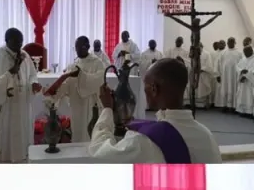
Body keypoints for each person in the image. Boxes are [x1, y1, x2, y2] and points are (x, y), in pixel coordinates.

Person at [88, 58, 222, 163]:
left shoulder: (144, 142)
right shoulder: (207, 136)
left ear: (154, 89)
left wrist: (107, 108)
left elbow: (100, 152)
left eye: (145, 85)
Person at [0, 28, 41, 163]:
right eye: (16, 42)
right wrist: (2, 90)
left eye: (21, 42)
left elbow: (32, 74)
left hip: (22, 102)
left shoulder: (25, 56)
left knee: (23, 128)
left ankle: (23, 153)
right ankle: (5, 156)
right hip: (5, 104)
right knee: (6, 129)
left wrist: (33, 83)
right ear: (7, 40)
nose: (20, 45)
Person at [43, 36, 105, 142]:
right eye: (76, 47)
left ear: (88, 47)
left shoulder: (97, 63)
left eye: (80, 47)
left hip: (90, 103)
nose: (77, 50)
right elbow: (67, 85)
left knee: (89, 133)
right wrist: (54, 92)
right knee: (77, 132)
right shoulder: (74, 65)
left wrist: (81, 75)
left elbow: (99, 80)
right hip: (76, 104)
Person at [216, 37, 242, 111]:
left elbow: (242, 64)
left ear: (235, 43)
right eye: (229, 42)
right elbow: (218, 64)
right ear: (227, 43)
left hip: (234, 75)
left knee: (234, 89)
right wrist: (218, 75)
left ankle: (234, 106)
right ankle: (224, 105)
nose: (230, 43)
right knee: (225, 89)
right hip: (225, 76)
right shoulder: (223, 52)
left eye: (232, 42)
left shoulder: (239, 53)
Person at [139, 40, 164, 114]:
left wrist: (157, 62)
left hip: (157, 76)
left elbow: (163, 63)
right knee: (148, 90)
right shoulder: (144, 54)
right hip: (149, 76)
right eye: (151, 44)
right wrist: (150, 61)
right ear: (149, 45)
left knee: (158, 90)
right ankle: (147, 106)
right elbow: (141, 64)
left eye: (154, 43)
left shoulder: (159, 53)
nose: (153, 45)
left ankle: (157, 106)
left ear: (156, 44)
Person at [164, 37, 190, 104]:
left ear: (182, 43)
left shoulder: (185, 51)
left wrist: (182, 60)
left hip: (181, 72)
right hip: (172, 72)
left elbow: (188, 62)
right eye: (177, 41)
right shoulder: (170, 50)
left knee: (181, 87)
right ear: (175, 41)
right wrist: (174, 60)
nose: (178, 43)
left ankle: (181, 102)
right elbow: (165, 60)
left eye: (180, 41)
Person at [193, 43, 215, 108]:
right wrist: (195, 69)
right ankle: (196, 104)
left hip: (204, 74)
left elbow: (209, 65)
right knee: (196, 89)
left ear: (202, 46)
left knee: (205, 89)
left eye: (199, 46)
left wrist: (201, 69)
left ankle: (206, 104)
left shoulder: (207, 54)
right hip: (196, 74)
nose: (198, 48)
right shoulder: (194, 54)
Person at [235, 45, 254, 116]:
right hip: (243, 82)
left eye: (247, 51)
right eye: (244, 52)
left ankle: (250, 112)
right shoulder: (243, 59)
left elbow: (253, 70)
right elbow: (237, 67)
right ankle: (243, 111)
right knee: (242, 96)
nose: (245, 53)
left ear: (251, 51)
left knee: (250, 96)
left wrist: (246, 75)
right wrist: (241, 71)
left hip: (250, 82)